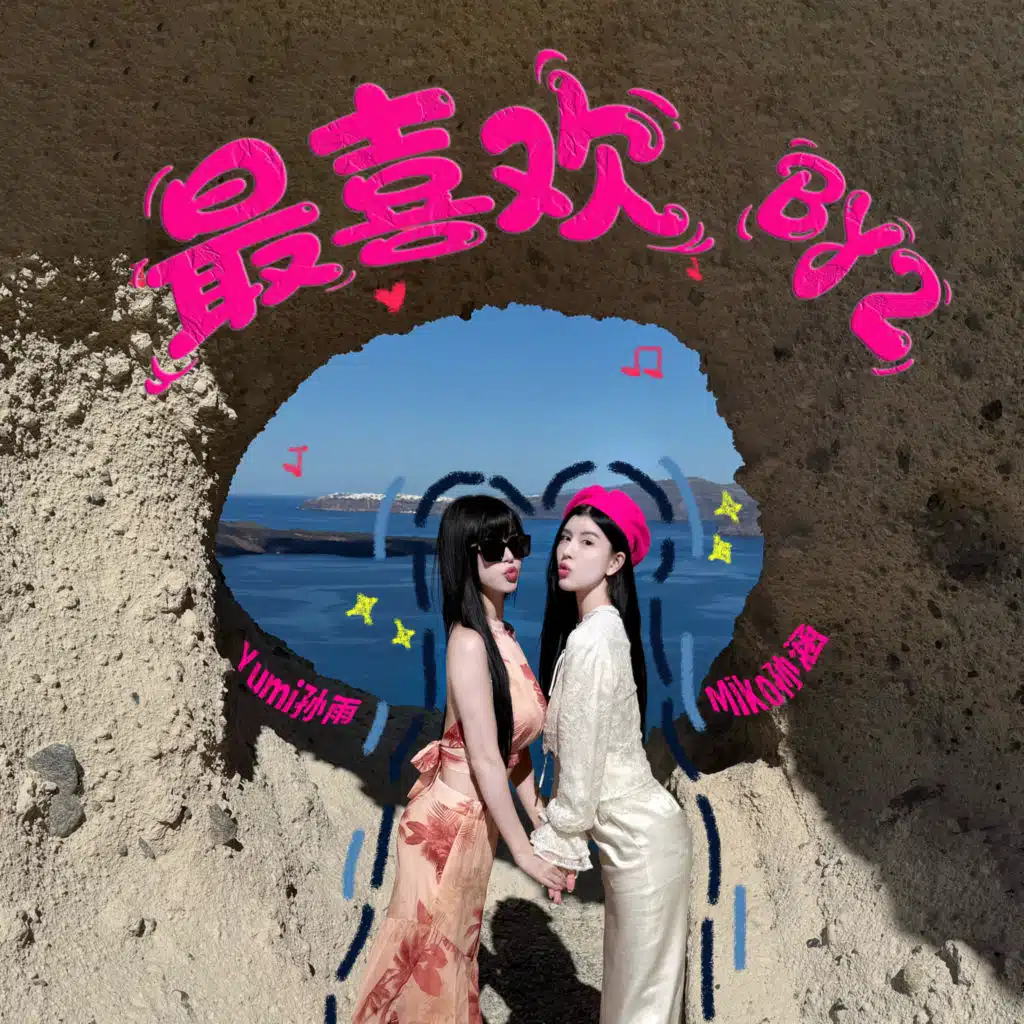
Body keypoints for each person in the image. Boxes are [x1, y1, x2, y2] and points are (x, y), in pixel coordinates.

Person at [353, 494, 569, 1024]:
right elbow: (487, 760)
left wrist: (542, 824)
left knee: (446, 965)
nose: (510, 557)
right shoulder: (470, 643)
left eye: (517, 544)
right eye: (494, 547)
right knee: (428, 973)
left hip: (472, 826)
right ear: (464, 555)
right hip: (446, 830)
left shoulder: (502, 637)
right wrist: (525, 854)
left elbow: (511, 749)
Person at [532, 485, 693, 1024]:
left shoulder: (592, 640)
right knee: (634, 995)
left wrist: (560, 845)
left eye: (587, 541)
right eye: (565, 537)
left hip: (641, 841)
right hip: (636, 837)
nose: (567, 551)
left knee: (640, 1004)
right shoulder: (598, 631)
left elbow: (581, 765)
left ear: (615, 562)